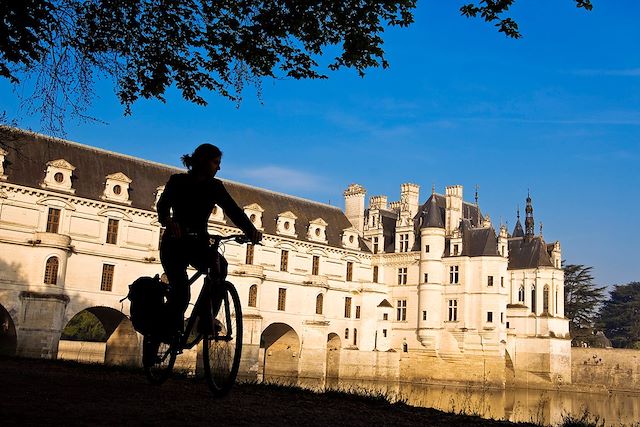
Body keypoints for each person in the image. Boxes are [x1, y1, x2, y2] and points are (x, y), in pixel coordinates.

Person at [157, 143, 261, 336]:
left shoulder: (215, 186)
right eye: (215, 162)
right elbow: (163, 206)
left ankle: (207, 317)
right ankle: (167, 331)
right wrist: (168, 221)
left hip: (197, 244)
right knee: (181, 293)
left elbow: (233, 211)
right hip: (175, 243)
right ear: (202, 162)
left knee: (219, 268)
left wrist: (250, 229)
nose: (218, 167)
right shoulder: (178, 181)